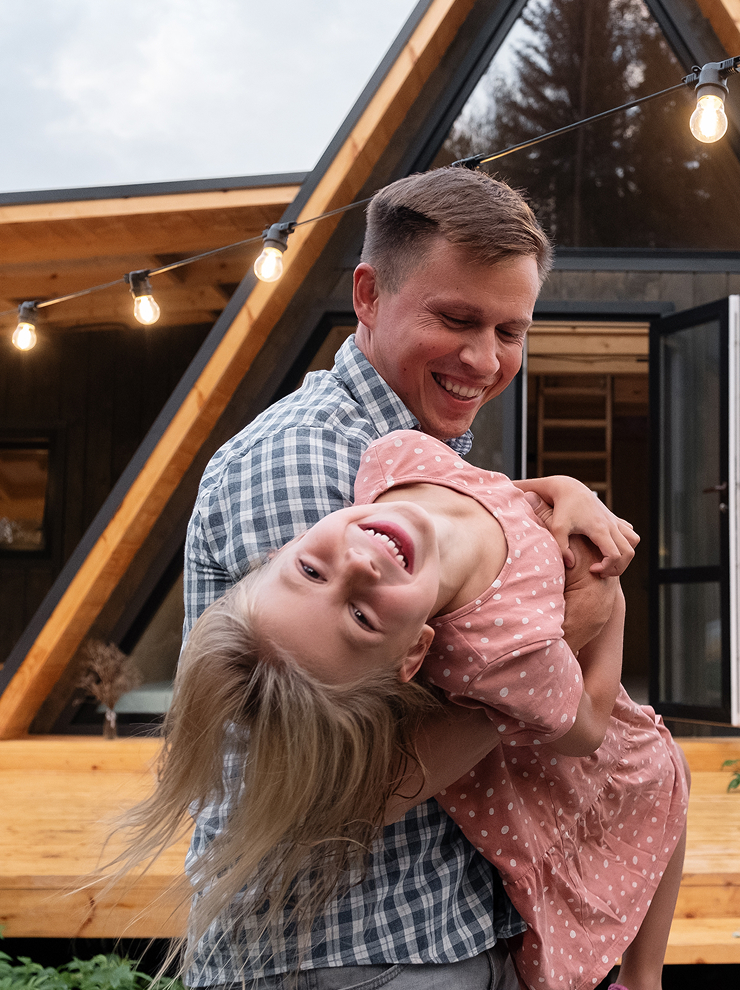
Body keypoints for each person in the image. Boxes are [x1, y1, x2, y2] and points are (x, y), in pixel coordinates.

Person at [164, 167, 636, 989]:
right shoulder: (310, 466)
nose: (485, 360)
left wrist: (561, 493)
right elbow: (338, 784)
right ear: (369, 295)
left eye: (510, 330)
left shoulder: (407, 455)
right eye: (456, 319)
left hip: (422, 932)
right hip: (348, 952)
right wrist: (556, 650)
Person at [147, 429, 686, 990]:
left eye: (311, 571)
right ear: (415, 652)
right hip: (558, 781)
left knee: (665, 772)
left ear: (286, 547)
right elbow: (589, 726)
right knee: (661, 771)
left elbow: (496, 494)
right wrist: (608, 601)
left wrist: (566, 490)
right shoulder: (500, 653)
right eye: (361, 617)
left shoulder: (392, 460)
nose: (358, 566)